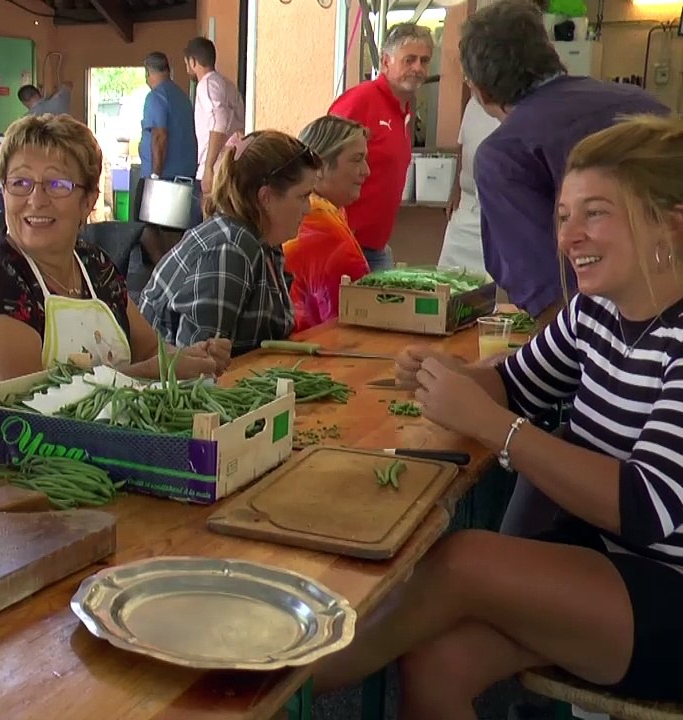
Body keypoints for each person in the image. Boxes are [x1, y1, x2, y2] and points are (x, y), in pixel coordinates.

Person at [312, 114, 683, 712]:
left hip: (669, 592)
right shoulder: (595, 313)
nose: (569, 238)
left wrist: (494, 428)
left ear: (670, 224)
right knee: (436, 661)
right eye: (563, 217)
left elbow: (648, 508)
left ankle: (299, 675)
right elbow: (514, 385)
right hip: (608, 564)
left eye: (596, 213)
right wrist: (446, 377)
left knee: (462, 560)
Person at [0, 114, 231, 468]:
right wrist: (152, 374)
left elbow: (149, 350)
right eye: (20, 183)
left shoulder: (93, 266)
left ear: (88, 202)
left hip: (94, 461)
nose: (36, 199)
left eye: (57, 185)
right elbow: (30, 405)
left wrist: (188, 357)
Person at [464, 0, 667, 319]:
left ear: (482, 93)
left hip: (609, 344)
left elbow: (550, 292)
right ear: (553, 58)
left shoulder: (504, 154)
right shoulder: (645, 105)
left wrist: (528, 367)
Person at [138, 131, 320, 354]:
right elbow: (197, 366)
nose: (308, 208)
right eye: (303, 196)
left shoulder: (265, 241)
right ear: (266, 198)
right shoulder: (230, 250)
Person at [328, 22, 433, 271]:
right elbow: (319, 160)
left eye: (424, 61)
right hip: (344, 243)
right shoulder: (361, 100)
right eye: (409, 60)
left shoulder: (404, 110)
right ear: (386, 62)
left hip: (375, 245)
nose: (418, 68)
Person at [283, 116, 371, 332]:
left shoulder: (320, 207)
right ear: (319, 167)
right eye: (357, 159)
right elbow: (362, 312)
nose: (366, 171)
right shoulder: (320, 220)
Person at [184, 36, 244, 226]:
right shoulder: (228, 85)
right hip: (230, 166)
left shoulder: (207, 84)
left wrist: (209, 167)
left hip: (215, 168)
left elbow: (220, 120)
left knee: (209, 226)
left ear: (193, 62)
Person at [133, 51, 197, 224]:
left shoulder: (156, 97)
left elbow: (159, 137)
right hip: (183, 179)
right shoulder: (181, 96)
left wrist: (154, 177)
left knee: (147, 231)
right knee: (173, 234)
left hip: (163, 180)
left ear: (148, 73)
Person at [437, 95, 498, 275]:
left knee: (491, 287)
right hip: (466, 206)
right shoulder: (473, 102)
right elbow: (462, 146)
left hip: (496, 210)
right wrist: (455, 188)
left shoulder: (517, 105)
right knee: (447, 278)